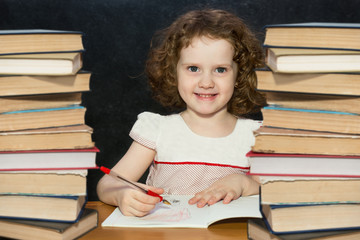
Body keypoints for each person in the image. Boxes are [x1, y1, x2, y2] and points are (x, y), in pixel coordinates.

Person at [97, 8, 266, 217]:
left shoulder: (257, 137)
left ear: (239, 76)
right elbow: (108, 183)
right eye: (193, 68)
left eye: (220, 70)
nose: (206, 82)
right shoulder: (158, 130)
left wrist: (243, 182)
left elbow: (275, 191)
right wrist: (122, 194)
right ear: (173, 72)